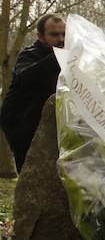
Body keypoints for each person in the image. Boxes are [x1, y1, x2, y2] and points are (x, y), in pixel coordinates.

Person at [1, 13, 66, 172]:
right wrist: (58, 57)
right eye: (54, 34)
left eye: (64, 34)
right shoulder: (29, 54)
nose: (61, 39)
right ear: (40, 36)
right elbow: (26, 76)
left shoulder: (68, 55)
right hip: (23, 126)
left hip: (51, 127)